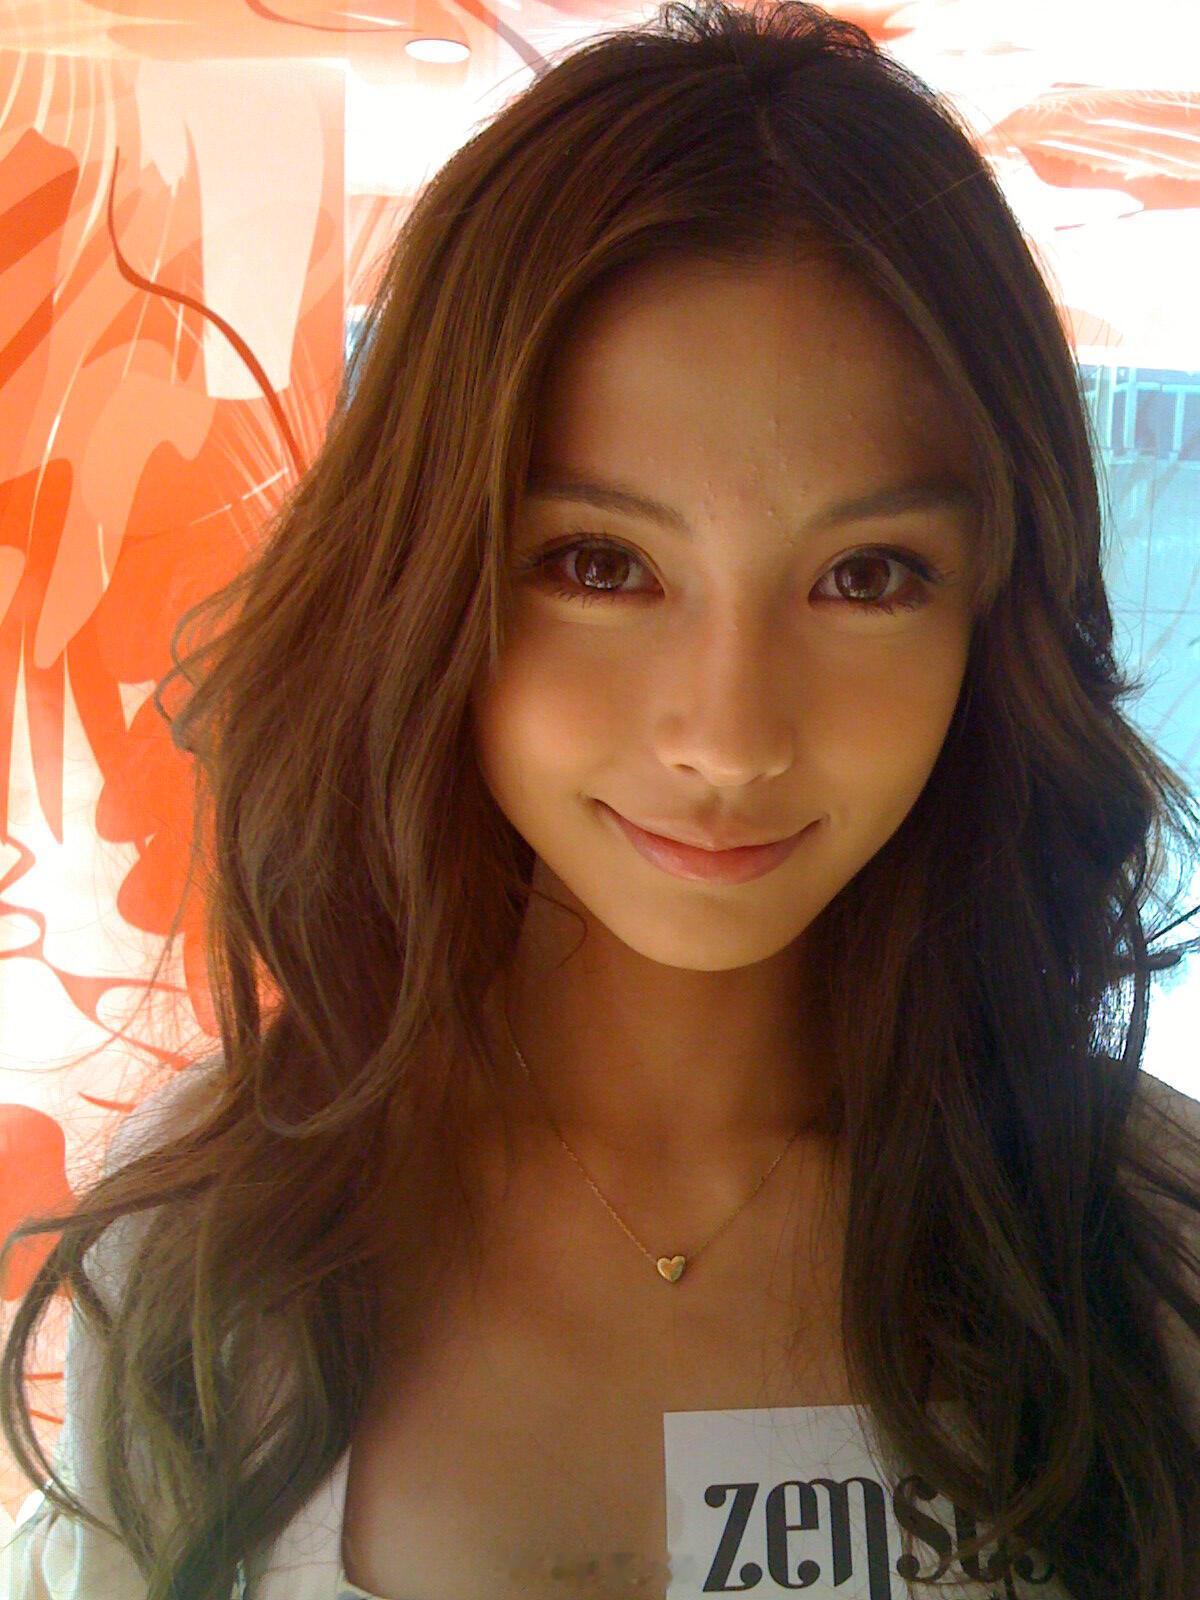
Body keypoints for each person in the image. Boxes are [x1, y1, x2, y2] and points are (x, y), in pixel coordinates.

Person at [4, 3, 1200, 1597]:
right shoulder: (219, 1244)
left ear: (994, 619)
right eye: (599, 563)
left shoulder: (1146, 1243)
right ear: (427, 582)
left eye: (867, 577)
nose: (730, 738)